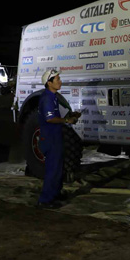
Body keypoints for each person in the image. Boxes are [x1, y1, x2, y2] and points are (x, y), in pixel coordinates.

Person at [37, 69, 80, 209]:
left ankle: (55, 194)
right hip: (50, 138)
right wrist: (67, 120)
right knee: (53, 169)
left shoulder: (53, 96)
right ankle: (45, 200)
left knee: (57, 168)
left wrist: (71, 115)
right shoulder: (47, 98)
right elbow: (50, 119)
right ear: (49, 83)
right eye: (57, 79)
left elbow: (58, 115)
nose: (60, 81)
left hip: (55, 137)